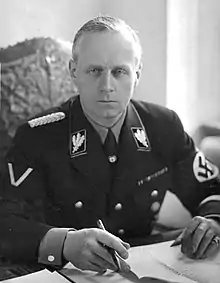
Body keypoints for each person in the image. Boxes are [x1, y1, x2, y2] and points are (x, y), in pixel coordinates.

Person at [0, 15, 220, 276]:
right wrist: (64, 244)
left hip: (144, 264)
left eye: (119, 72)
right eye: (95, 71)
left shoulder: (163, 126)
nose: (106, 87)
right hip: (64, 270)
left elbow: (210, 189)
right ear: (73, 72)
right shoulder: (37, 135)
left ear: (136, 75)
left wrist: (213, 221)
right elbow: (6, 221)